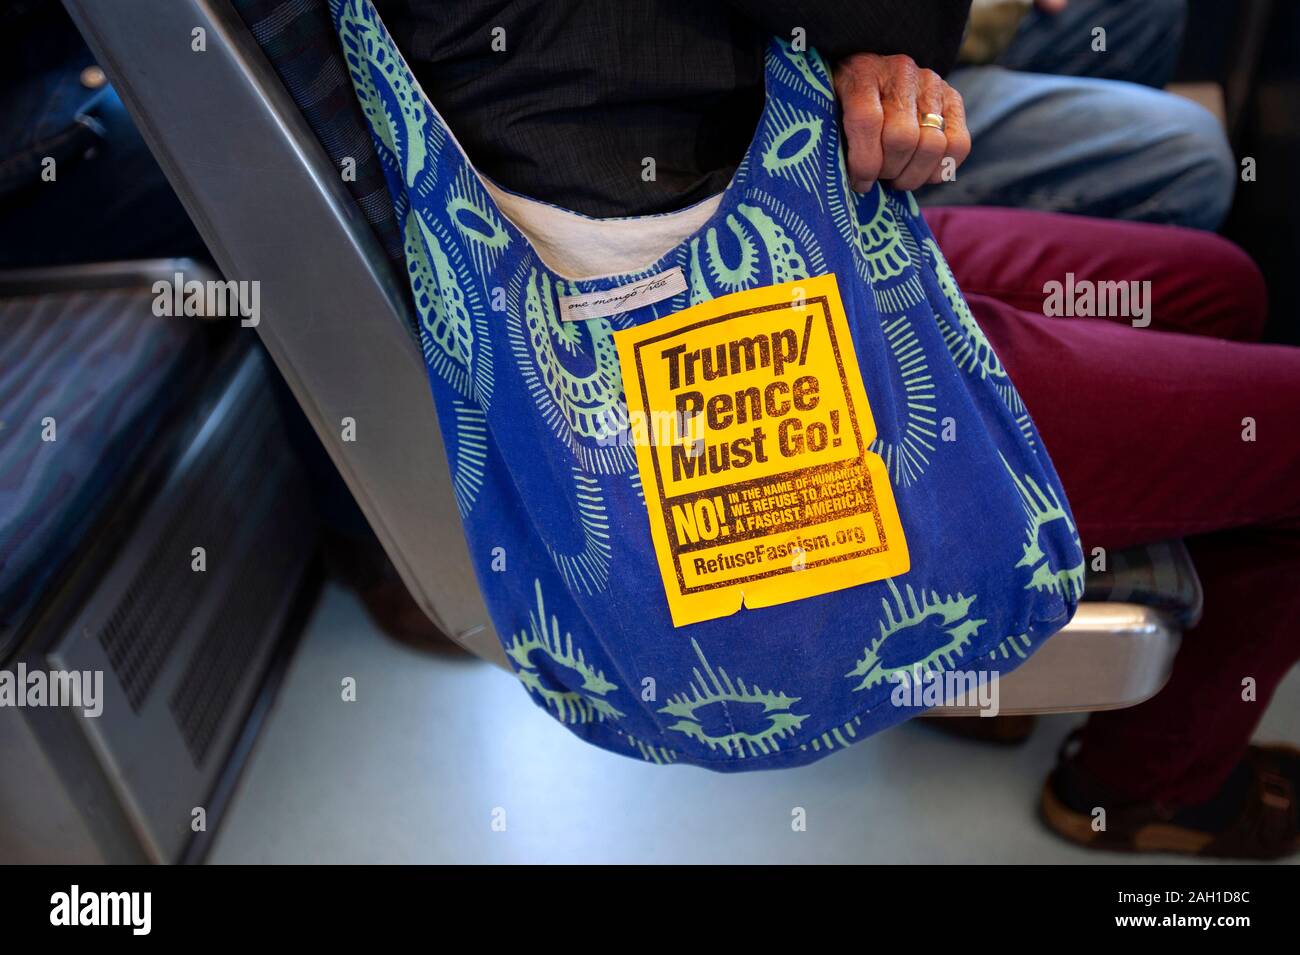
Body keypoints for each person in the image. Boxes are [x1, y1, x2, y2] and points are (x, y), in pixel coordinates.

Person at [358, 0, 1298, 857]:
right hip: (721, 327)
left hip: (774, 214)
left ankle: (981, 669)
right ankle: (1149, 786)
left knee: (1217, 290)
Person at [917, 0, 1236, 231]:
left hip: (947, 39)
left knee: (1151, 11)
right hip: (903, 79)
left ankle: (1076, 193)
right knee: (1196, 158)